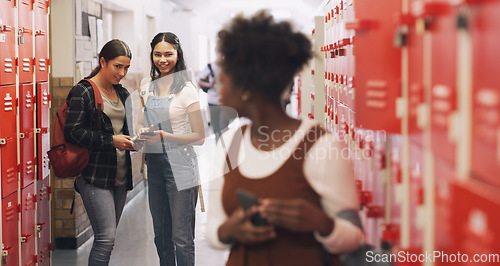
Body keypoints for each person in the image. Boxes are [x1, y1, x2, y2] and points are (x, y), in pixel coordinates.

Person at [206, 11, 363, 266]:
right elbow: (215, 226)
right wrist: (228, 231)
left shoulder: (320, 147)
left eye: (222, 82)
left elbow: (353, 238)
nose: (219, 93)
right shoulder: (229, 145)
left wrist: (321, 223)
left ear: (246, 89)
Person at [64, 39, 137, 266]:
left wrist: (137, 138)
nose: (122, 73)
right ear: (103, 61)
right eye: (118, 66)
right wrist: (110, 141)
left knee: (108, 238)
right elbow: (72, 132)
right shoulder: (83, 91)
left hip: (120, 175)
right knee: (106, 238)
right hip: (94, 175)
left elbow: (124, 131)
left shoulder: (123, 93)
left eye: (126, 68)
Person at [136, 32, 205, 266]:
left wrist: (165, 136)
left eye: (168, 54)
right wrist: (141, 136)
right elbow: (140, 123)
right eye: (157, 54)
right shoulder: (147, 87)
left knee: (182, 238)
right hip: (154, 167)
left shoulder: (187, 90)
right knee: (161, 236)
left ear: (178, 54)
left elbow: (199, 136)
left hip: (182, 166)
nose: (162, 59)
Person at [197, 61, 231, 142]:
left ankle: (225, 150)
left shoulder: (230, 65)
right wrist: (210, 84)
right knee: (215, 127)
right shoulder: (210, 66)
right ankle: (218, 147)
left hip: (225, 102)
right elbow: (199, 80)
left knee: (223, 127)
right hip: (212, 101)